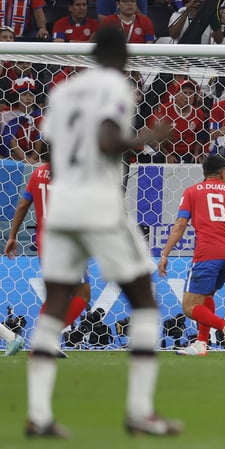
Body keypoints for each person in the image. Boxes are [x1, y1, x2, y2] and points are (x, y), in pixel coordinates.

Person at [26, 25, 181, 437]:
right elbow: (106, 138)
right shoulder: (114, 86)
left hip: (62, 205)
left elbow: (48, 151)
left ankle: (39, 415)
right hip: (99, 203)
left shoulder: (62, 92)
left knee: (57, 300)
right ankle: (139, 411)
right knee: (144, 300)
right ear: (123, 57)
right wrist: (149, 136)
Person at [157, 154, 225, 356]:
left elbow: (180, 225)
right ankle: (201, 344)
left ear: (204, 173)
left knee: (189, 306)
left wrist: (165, 254)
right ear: (224, 173)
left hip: (208, 253)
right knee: (206, 296)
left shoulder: (192, 191)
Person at [4, 161, 92, 357]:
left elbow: (23, 204)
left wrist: (12, 236)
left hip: (45, 245)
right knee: (83, 293)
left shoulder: (39, 172)